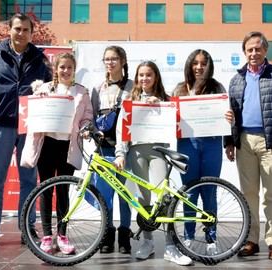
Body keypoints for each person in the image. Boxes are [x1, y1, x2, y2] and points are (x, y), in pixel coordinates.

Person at [0, 13, 52, 252]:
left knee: (29, 181)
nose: (21, 33)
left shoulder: (39, 58)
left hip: (30, 127)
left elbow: (50, 90)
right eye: (17, 29)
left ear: (31, 33)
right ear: (10, 30)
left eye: (26, 30)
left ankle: (27, 229)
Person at [225, 31, 272, 261]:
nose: (254, 53)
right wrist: (228, 141)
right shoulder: (236, 79)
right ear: (244, 52)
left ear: (265, 50)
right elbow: (231, 113)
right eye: (249, 49)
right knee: (248, 194)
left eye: (258, 48)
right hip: (244, 142)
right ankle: (251, 239)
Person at [114, 61, 192, 266]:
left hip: (158, 152)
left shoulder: (165, 100)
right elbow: (122, 131)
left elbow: (178, 124)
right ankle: (147, 242)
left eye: (148, 75)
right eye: (141, 75)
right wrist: (120, 154)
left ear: (156, 77)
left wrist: (162, 107)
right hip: (136, 152)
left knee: (163, 197)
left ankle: (170, 246)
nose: (144, 79)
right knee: (143, 198)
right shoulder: (130, 100)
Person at [20, 52, 93, 254]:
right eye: (62, 67)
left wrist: (86, 128)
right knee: (45, 189)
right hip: (47, 144)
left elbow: (87, 116)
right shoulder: (44, 88)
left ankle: (62, 235)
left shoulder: (82, 92)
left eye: (69, 67)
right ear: (55, 69)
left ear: (74, 69)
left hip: (68, 146)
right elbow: (31, 111)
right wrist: (37, 99)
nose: (65, 71)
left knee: (63, 190)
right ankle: (46, 236)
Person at [172, 49, 232, 255]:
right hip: (187, 144)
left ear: (209, 66)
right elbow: (170, 119)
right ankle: (189, 236)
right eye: (195, 63)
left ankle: (211, 237)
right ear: (189, 65)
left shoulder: (217, 87)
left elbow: (227, 118)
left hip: (212, 145)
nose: (199, 67)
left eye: (203, 63)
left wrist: (229, 119)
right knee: (189, 192)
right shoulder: (179, 89)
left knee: (210, 190)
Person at [90, 45, 133, 254]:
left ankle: (125, 234)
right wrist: (92, 130)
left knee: (124, 194)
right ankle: (107, 234)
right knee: (105, 195)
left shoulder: (133, 87)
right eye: (107, 59)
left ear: (123, 61)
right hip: (104, 149)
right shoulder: (97, 88)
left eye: (115, 58)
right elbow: (91, 118)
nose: (110, 62)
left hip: (127, 150)